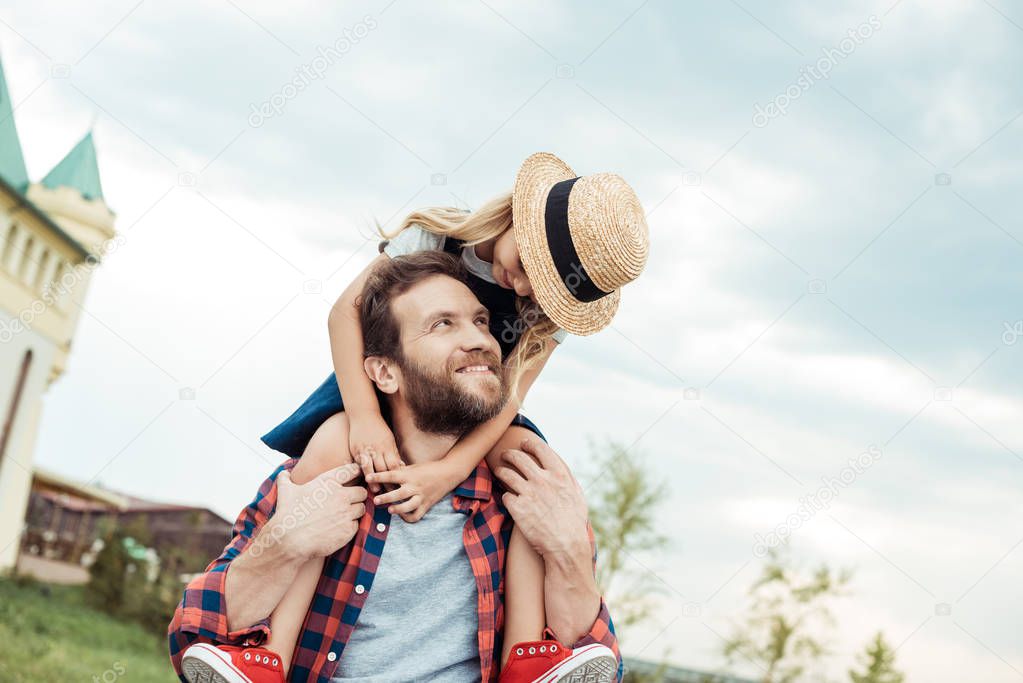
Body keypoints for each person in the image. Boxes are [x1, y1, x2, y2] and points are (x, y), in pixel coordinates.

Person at [176, 150, 648, 682]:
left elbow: (511, 394)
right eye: (529, 272)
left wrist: (449, 472)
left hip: (487, 414)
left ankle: (530, 657)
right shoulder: (434, 237)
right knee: (332, 447)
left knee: (531, 465)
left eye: (540, 295)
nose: (521, 292)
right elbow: (344, 313)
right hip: (365, 389)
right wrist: (365, 418)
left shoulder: (537, 326)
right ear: (522, 219)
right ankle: (265, 655)